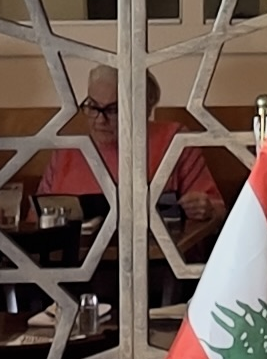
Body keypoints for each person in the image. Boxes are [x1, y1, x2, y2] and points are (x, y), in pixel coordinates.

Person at [39, 65, 227, 249]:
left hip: (153, 265)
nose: (100, 120)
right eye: (93, 107)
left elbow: (218, 210)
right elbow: (35, 217)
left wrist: (205, 208)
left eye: (113, 110)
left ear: (142, 109)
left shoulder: (173, 141)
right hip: (68, 268)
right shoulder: (67, 151)